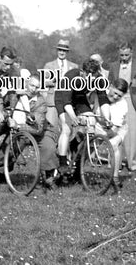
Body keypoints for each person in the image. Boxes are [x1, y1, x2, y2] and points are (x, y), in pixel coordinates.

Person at [54, 59, 108, 175]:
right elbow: (66, 103)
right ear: (82, 72)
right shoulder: (71, 76)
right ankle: (62, 162)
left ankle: (79, 162)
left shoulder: (98, 78)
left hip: (79, 97)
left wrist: (107, 119)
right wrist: (73, 118)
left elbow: (103, 99)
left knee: (91, 121)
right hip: (63, 98)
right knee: (67, 127)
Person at [9, 73, 59, 189]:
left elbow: (38, 129)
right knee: (11, 146)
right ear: (27, 83)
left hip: (40, 130)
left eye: (37, 87)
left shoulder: (41, 102)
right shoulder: (16, 96)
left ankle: (48, 177)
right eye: (31, 85)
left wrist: (17, 126)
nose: (33, 89)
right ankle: (3, 169)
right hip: (21, 131)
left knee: (48, 146)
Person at [108, 42, 136, 172]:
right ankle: (114, 163)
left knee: (131, 133)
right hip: (116, 100)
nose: (124, 57)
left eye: (126, 55)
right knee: (114, 130)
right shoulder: (113, 66)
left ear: (131, 52)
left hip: (131, 100)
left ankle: (132, 163)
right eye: (121, 55)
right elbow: (109, 84)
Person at [99, 78, 129, 190]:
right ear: (110, 86)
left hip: (117, 129)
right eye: (115, 93)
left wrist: (104, 139)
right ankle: (77, 171)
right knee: (86, 146)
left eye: (119, 96)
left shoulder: (122, 105)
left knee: (113, 144)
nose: (116, 97)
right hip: (99, 125)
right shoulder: (100, 93)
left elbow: (114, 129)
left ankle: (115, 177)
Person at [43, 39, 79, 129]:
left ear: (67, 52)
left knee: (67, 128)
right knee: (52, 128)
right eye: (60, 50)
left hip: (68, 101)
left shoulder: (74, 66)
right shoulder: (49, 66)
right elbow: (43, 83)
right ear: (57, 51)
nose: (62, 52)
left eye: (64, 50)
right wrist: (54, 80)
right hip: (53, 101)